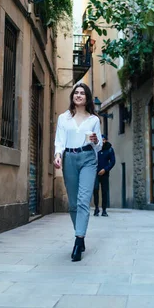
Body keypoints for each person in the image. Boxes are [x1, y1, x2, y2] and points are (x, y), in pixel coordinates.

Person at [54, 82, 102, 262]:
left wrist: (96, 140)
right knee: (73, 204)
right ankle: (80, 234)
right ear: (73, 97)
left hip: (88, 158)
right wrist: (58, 155)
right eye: (76, 93)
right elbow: (59, 140)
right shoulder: (63, 118)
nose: (79, 95)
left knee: (83, 201)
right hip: (69, 159)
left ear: (87, 97)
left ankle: (78, 239)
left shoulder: (94, 120)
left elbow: (98, 146)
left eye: (82, 93)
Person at [93, 134, 115, 217]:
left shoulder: (109, 149)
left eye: (103, 139)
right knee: (95, 190)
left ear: (105, 140)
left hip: (104, 173)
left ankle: (104, 210)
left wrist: (105, 169)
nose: (102, 141)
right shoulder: (95, 148)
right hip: (95, 173)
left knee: (104, 191)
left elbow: (112, 161)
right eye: (100, 139)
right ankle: (96, 208)